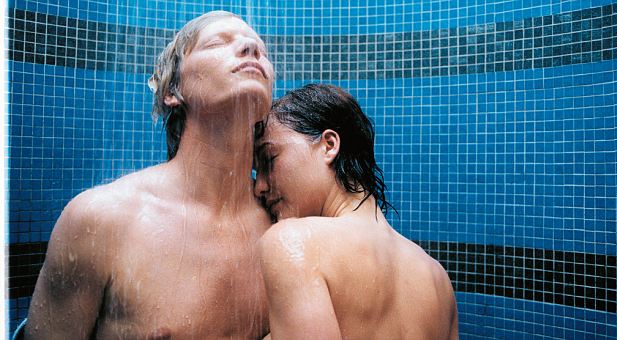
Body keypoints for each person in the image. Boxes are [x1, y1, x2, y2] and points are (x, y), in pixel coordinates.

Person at [24, 11, 274, 339]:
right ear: (173, 89)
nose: (251, 48)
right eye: (217, 42)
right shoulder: (101, 220)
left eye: (262, 51)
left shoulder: (283, 221)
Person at [254, 84, 458, 339]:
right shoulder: (437, 277)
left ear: (329, 145)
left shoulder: (293, 243)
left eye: (269, 159)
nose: (259, 186)